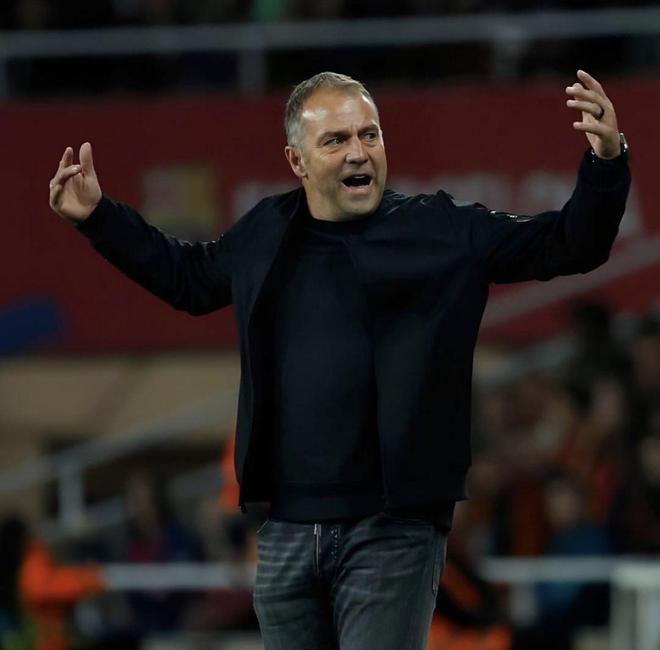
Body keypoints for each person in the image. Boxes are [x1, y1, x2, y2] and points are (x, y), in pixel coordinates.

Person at [49, 69, 630, 650]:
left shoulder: (443, 229)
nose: (359, 152)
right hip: (284, 533)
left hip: (392, 532)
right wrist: (100, 217)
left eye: (369, 135)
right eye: (336, 140)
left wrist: (607, 161)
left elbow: (570, 243)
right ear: (297, 161)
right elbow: (189, 279)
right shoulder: (265, 232)